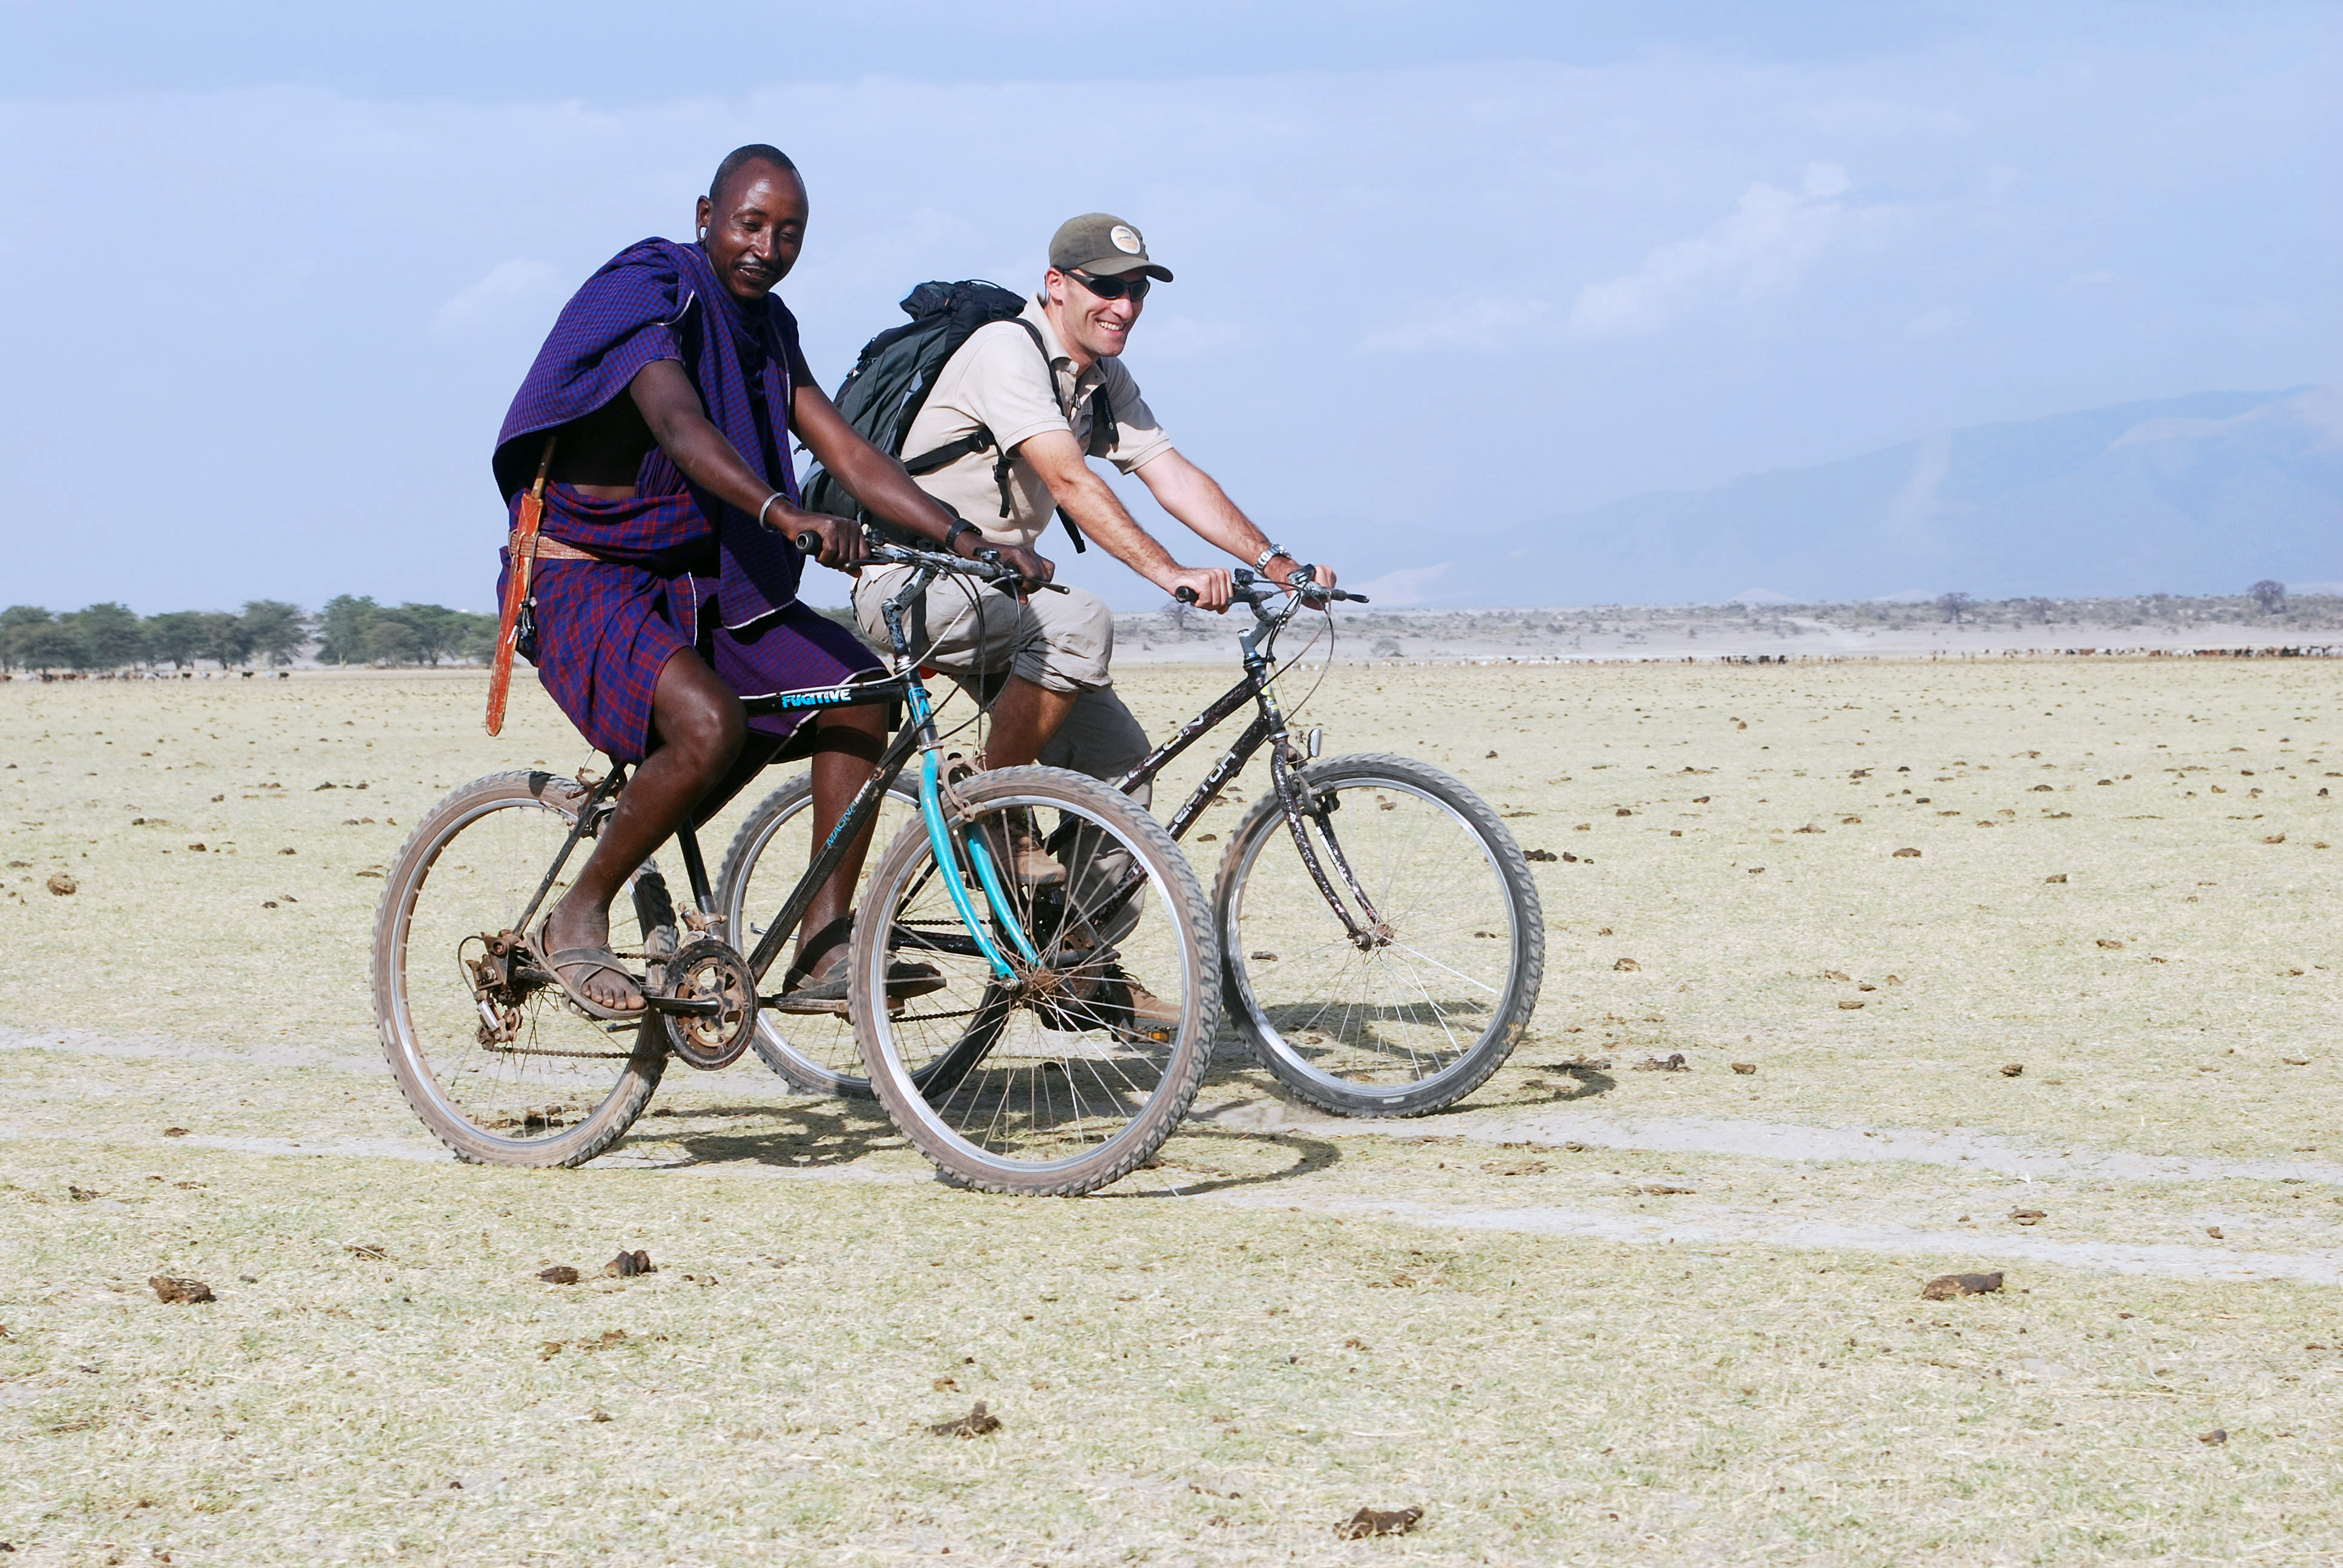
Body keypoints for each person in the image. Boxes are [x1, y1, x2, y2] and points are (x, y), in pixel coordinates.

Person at [493, 143, 1049, 1017]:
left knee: (865, 692)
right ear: (704, 214)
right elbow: (680, 428)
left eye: (788, 233)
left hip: (697, 579)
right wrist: (783, 514)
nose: (766, 247)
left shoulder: (769, 325)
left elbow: (849, 452)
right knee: (708, 725)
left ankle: (825, 945)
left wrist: (969, 537)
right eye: (750, 223)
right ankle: (577, 913)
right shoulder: (648, 288)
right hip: (588, 576)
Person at [851, 212, 1340, 826]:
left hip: (1002, 592)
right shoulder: (1007, 349)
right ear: (1055, 284)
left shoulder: (1101, 378)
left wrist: (1279, 565)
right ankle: (981, 810)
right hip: (914, 583)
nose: (1125, 307)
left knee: (1119, 764)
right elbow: (1067, 478)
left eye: (1137, 290)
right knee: (1080, 617)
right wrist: (1168, 573)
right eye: (1106, 287)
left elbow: (1172, 474)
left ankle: (1072, 924)